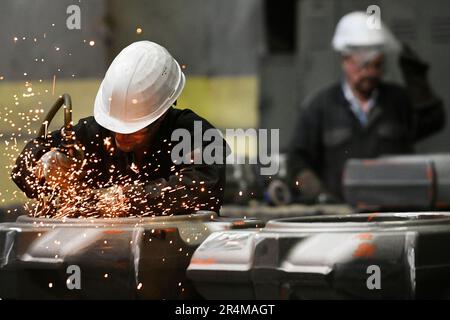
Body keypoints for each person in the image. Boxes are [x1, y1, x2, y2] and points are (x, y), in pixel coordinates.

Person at [11, 41, 227, 217]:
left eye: (136, 130)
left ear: (161, 114)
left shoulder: (194, 133)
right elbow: (22, 167)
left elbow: (203, 187)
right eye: (115, 127)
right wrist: (42, 163)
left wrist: (125, 198)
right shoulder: (96, 132)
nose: (120, 136)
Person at [287, 12, 446, 203]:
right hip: (342, 215)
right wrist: (318, 193)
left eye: (377, 66)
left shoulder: (398, 101)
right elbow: (297, 159)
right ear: (345, 60)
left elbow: (434, 121)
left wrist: (418, 82)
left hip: (393, 211)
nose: (370, 73)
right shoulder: (321, 106)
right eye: (364, 66)